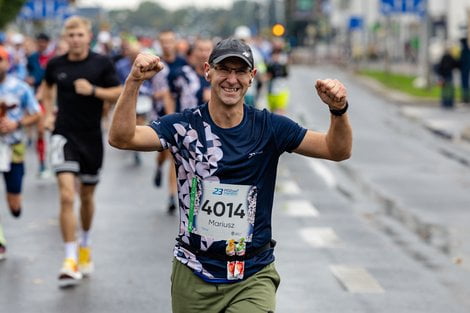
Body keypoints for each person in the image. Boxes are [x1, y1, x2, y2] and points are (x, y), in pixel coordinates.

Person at [108, 38, 352, 312]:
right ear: (207, 71)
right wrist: (133, 82)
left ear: (252, 77)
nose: (231, 79)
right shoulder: (183, 127)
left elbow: (336, 150)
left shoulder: (269, 127)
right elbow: (122, 137)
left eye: (240, 71)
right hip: (194, 272)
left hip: (252, 273)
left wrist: (338, 111)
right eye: (224, 69)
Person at [41, 16, 122, 287]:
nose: (75, 39)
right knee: (66, 196)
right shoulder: (55, 64)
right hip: (63, 135)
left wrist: (94, 90)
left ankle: (85, 244)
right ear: (65, 38)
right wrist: (48, 114)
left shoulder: (102, 63)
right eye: (70, 35)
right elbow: (47, 87)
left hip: (91, 138)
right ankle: (69, 259)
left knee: (86, 196)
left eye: (79, 35)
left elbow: (120, 92)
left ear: (88, 36)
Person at [0, 45, 41, 259]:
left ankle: (15, 205)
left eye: (0, 60)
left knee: (13, 202)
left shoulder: (20, 87)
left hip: (13, 147)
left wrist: (16, 125)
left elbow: (36, 114)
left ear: (7, 63)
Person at [26, 33, 55, 178]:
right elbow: (30, 74)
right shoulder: (31, 58)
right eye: (39, 42)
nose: (42, 44)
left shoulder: (55, 58)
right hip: (38, 99)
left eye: (44, 42)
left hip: (55, 98)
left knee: (57, 132)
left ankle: (57, 160)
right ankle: (42, 162)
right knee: (41, 131)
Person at [459, 38, 470, 104]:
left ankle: (465, 98)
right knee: (465, 85)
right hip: (465, 69)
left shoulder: (464, 51)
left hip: (464, 70)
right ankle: (465, 98)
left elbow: (462, 61)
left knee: (464, 85)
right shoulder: (467, 50)